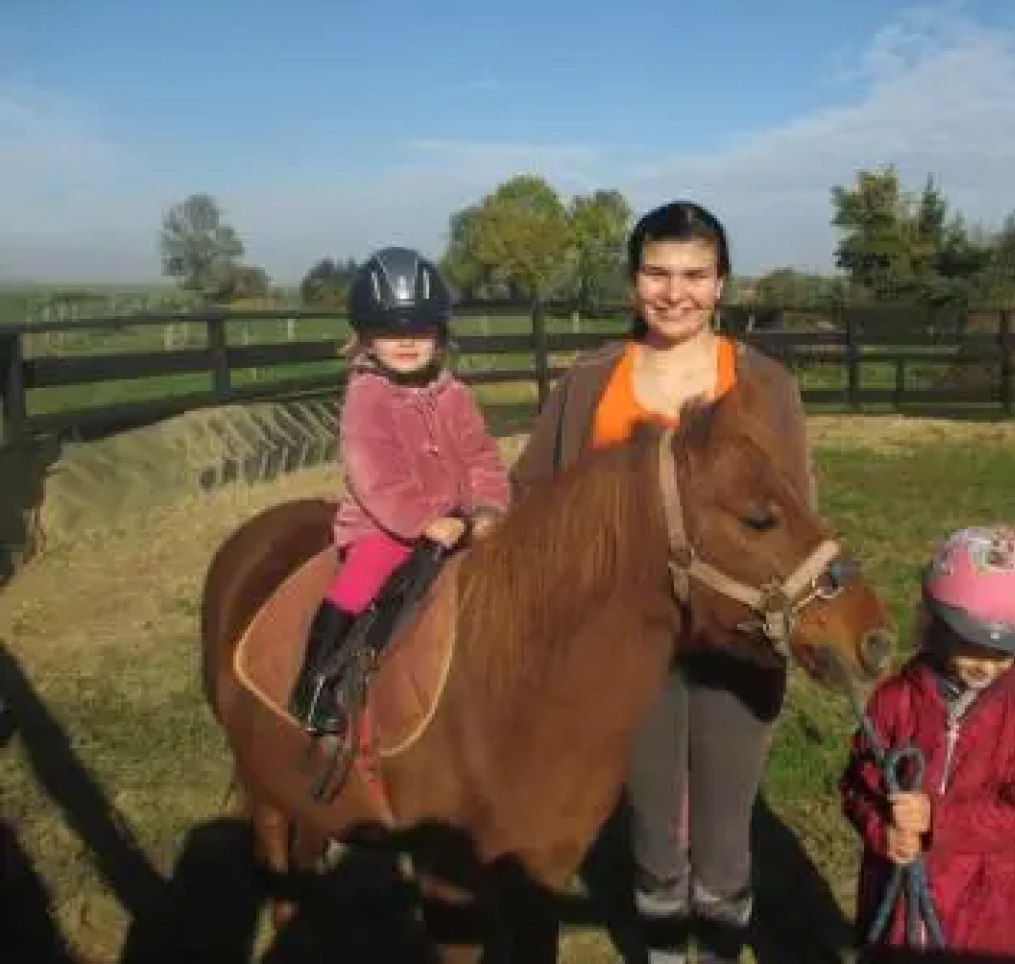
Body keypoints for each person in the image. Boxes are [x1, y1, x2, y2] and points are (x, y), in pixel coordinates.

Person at [509, 199, 815, 964]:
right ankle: (665, 953)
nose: (674, 291)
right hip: (622, 650)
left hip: (735, 640)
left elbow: (793, 516)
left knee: (722, 830)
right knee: (650, 829)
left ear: (721, 285)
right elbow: (532, 499)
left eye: (694, 274)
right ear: (631, 280)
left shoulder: (764, 385)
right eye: (656, 272)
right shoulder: (587, 383)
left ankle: (714, 947)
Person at [289, 245, 511, 736]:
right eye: (391, 331)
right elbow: (375, 475)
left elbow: (481, 457)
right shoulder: (367, 396)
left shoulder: (457, 397)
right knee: (362, 577)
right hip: (385, 525)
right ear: (366, 337)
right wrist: (421, 522)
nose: (406, 342)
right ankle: (315, 684)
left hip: (457, 522)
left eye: (419, 330)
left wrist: (489, 507)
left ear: (440, 333)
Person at [837, 525, 1015, 961]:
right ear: (936, 627)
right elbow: (856, 784)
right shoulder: (896, 700)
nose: (987, 664)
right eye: (972, 646)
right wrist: (879, 831)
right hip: (902, 906)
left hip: (988, 914)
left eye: (1003, 654)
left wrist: (938, 820)